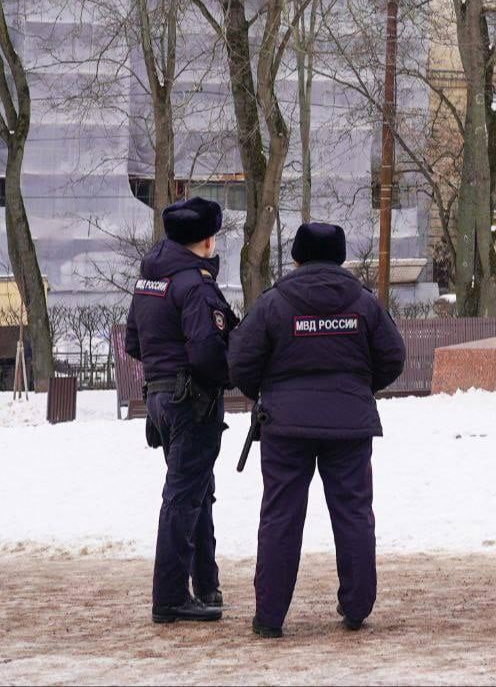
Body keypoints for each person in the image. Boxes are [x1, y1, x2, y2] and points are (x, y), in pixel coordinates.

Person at [228, 222, 406, 638]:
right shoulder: (364, 304)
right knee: (354, 513)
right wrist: (358, 389)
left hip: (284, 429)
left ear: (297, 257)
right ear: (341, 256)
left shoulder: (275, 303)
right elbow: (393, 356)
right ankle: (357, 608)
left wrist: (268, 394)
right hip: (349, 426)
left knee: (280, 517)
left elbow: (240, 360)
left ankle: (269, 616)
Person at [125, 197, 238, 624]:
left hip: (159, 397)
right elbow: (209, 352)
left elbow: (134, 342)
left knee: (196, 493)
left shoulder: (150, 280)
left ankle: (206, 585)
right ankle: (170, 596)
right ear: (206, 240)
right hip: (192, 401)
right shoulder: (195, 285)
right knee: (183, 498)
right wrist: (232, 373)